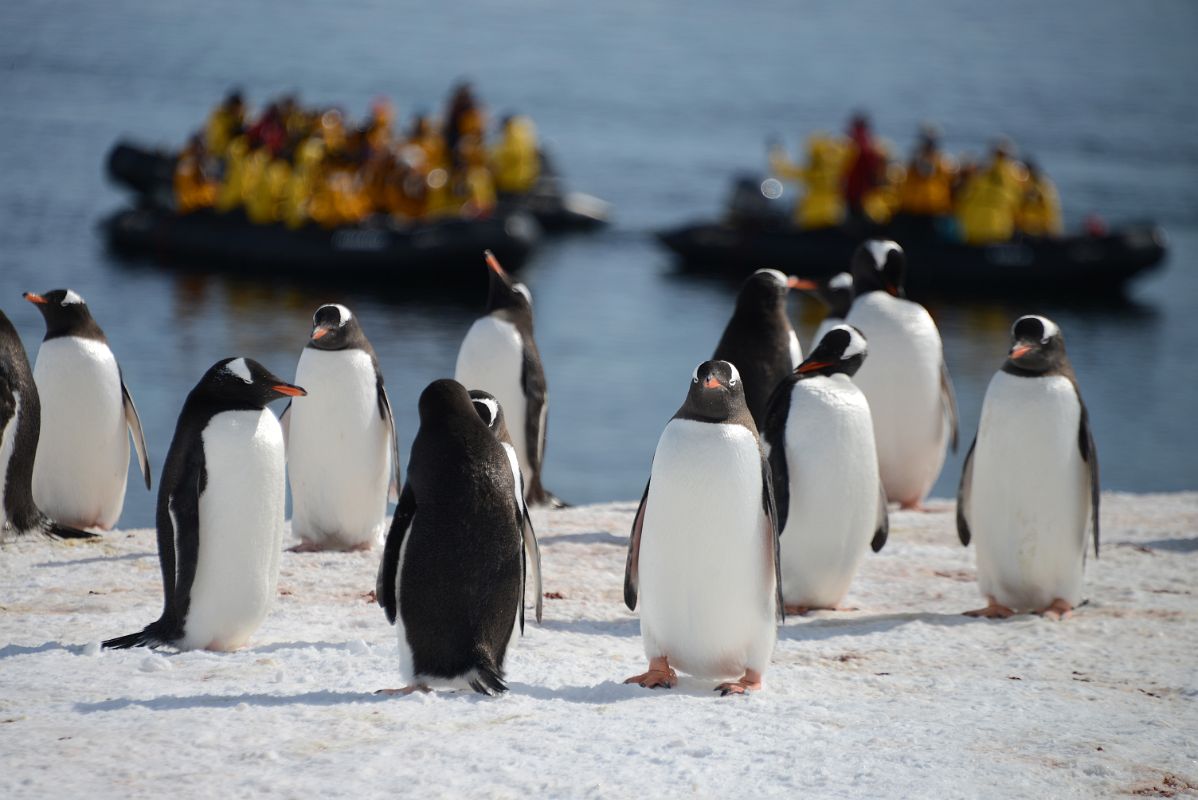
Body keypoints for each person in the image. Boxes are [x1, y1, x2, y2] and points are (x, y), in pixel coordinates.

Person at [956, 138, 1027, 244]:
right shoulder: (1016, 176)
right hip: (998, 230)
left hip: (976, 229)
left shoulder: (979, 172)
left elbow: (960, 196)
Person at [768, 133, 847, 229]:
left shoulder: (811, 173)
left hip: (811, 216)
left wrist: (776, 152)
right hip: (834, 215)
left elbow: (783, 171)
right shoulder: (839, 171)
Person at [897, 124, 956, 218]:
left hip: (936, 211)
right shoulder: (913, 160)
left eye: (931, 142)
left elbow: (951, 181)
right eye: (926, 141)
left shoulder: (943, 161)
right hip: (910, 210)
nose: (928, 145)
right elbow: (901, 178)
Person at [842, 113, 887, 225]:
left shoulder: (852, 143)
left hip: (853, 189)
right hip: (864, 189)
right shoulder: (870, 144)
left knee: (854, 217)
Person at [490, 115, 541, 194]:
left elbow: (496, 164)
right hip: (527, 182)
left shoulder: (506, 144)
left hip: (509, 183)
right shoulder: (526, 138)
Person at [1015, 159, 1063, 237]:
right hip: (1026, 229)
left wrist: (1052, 230)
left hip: (1040, 231)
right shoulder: (1024, 185)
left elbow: (1050, 210)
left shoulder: (1043, 185)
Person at [173, 135, 217, 213]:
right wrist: (211, 193)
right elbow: (187, 196)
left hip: (198, 207)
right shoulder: (189, 164)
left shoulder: (199, 162)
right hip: (191, 210)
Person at [204, 90, 245, 157]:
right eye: (237, 107)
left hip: (223, 151)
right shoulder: (221, 117)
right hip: (219, 152)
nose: (239, 110)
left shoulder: (233, 117)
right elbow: (220, 136)